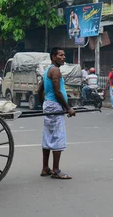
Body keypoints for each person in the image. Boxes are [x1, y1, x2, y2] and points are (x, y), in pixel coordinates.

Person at [37, 47, 76, 180]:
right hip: (55, 106)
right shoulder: (55, 70)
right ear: (53, 57)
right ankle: (55, 170)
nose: (63, 57)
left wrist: (44, 104)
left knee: (48, 137)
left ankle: (45, 168)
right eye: (60, 55)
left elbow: (39, 90)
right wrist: (68, 108)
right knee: (58, 137)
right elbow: (57, 92)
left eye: (64, 55)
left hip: (49, 104)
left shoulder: (48, 70)